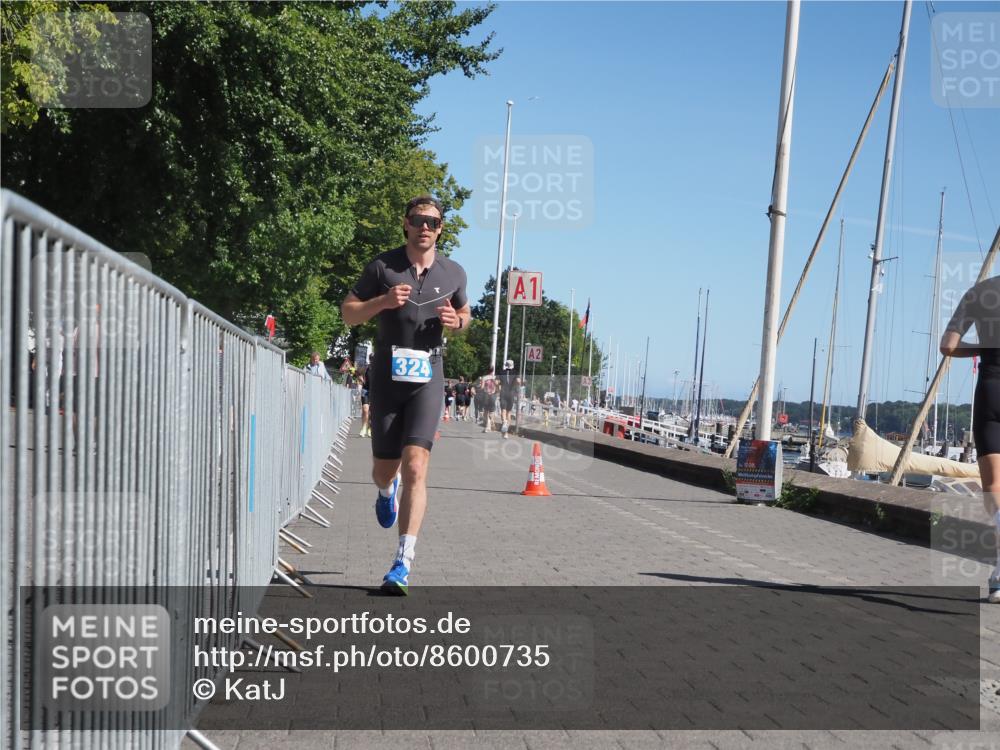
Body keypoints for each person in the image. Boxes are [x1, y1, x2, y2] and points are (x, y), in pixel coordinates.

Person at [341, 195, 470, 595]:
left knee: (416, 466)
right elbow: (348, 312)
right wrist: (381, 301)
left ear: (440, 228)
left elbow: (466, 315)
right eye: (418, 220)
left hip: (428, 375)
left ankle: (402, 562)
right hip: (388, 375)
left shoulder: (454, 273)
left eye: (432, 221)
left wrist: (458, 322)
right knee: (386, 468)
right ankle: (385, 491)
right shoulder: (383, 266)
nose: (425, 227)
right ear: (406, 224)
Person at [940, 274, 1000, 602]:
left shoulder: (978, 293)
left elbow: (947, 346)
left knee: (994, 493)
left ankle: (999, 575)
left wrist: (984, 347)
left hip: (990, 392)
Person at [497, 359, 519, 439]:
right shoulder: (515, 372)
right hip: (511, 393)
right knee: (509, 413)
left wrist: (498, 386)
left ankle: (504, 422)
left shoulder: (501, 372)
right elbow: (518, 381)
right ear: (512, 365)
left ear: (506, 365)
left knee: (503, 410)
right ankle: (506, 433)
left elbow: (497, 382)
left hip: (503, 393)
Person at [358, 364, 372, 437]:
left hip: (375, 392)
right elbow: (358, 372)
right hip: (365, 390)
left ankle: (369, 428)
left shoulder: (379, 367)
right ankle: (363, 428)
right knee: (365, 409)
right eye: (371, 359)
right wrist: (360, 378)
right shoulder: (366, 368)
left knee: (371, 411)